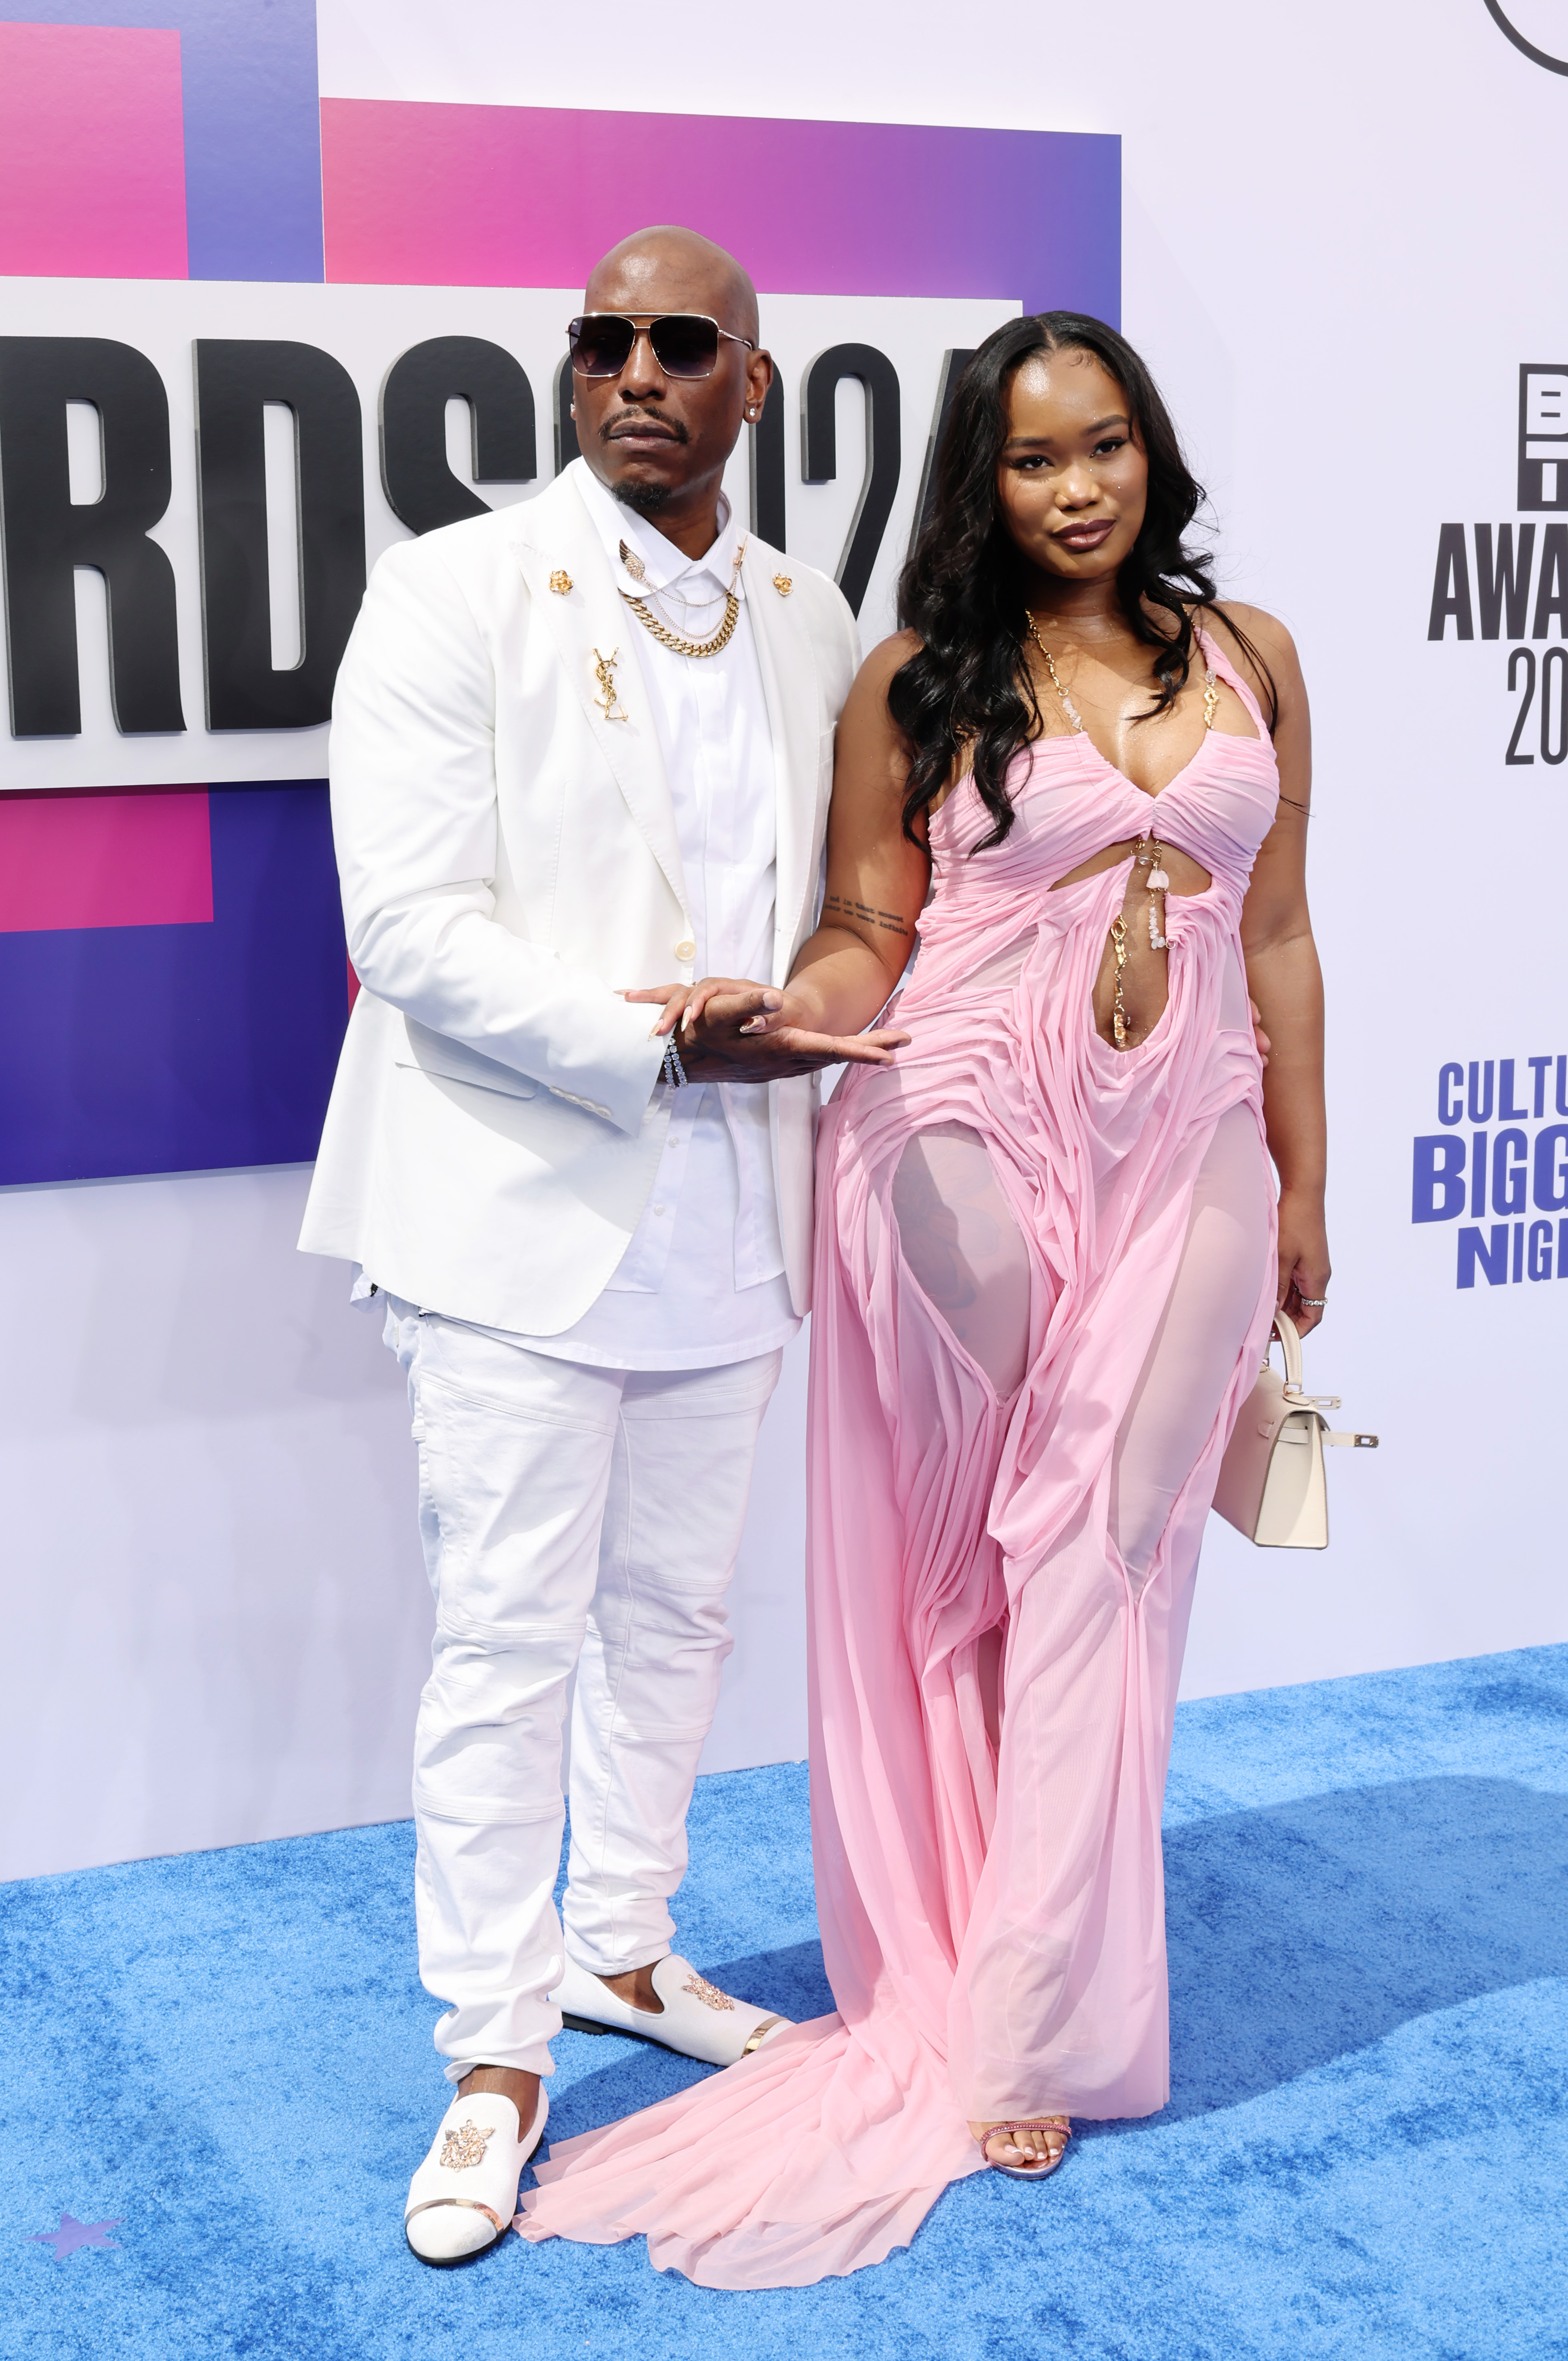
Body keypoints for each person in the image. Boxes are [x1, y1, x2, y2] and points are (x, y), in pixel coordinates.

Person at [517, 311, 1326, 2285]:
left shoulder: (1256, 658)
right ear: (982, 478)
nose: (1079, 488)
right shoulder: (918, 679)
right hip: (962, 1116)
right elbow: (877, 929)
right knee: (1009, 1543)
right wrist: (796, 1015)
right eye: (1037, 457)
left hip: (1192, 1128)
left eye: (1109, 446)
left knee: (1102, 1543)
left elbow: (1286, 930)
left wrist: (1309, 1175)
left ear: (1153, 456)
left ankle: (1029, 2004)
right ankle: (993, 1976)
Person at [299, 224, 901, 2264]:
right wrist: (659, 1048)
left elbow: (861, 896)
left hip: (736, 1216)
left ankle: (624, 1948)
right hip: (515, 1211)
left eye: (681, 343)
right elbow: (410, 928)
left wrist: (805, 1012)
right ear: (572, 376)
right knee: (506, 1644)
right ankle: (492, 2049)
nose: (635, 371)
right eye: (601, 342)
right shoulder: (455, 588)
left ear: (757, 381)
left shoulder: (817, 621)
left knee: (676, 1626)